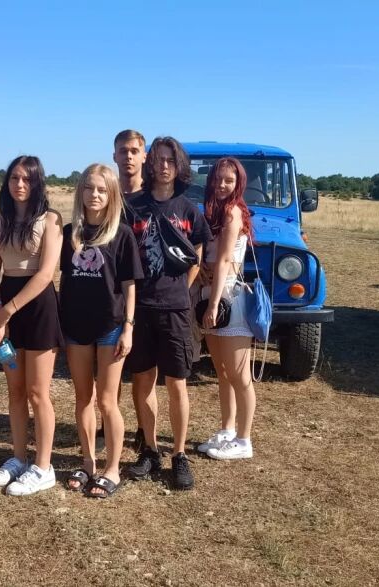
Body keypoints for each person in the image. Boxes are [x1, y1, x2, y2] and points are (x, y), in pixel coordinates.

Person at [123, 136, 210, 490]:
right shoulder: (132, 207)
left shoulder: (188, 210)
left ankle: (179, 454)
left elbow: (197, 254)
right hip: (140, 308)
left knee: (177, 383)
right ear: (149, 163)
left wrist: (181, 289)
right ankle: (150, 449)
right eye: (157, 159)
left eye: (169, 160)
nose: (163, 166)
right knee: (143, 381)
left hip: (175, 309)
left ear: (179, 165)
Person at [60, 163, 142, 498]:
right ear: (80, 191)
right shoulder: (70, 233)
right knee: (83, 398)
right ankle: (88, 462)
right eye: (89, 188)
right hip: (76, 326)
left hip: (110, 326)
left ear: (112, 195)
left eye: (102, 190)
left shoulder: (122, 235)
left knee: (107, 401)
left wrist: (128, 328)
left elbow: (130, 286)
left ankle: (112, 469)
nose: (94, 195)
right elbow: (62, 276)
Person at [0, 155, 63, 497]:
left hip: (38, 308)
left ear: (37, 183)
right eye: (14, 178)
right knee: (15, 390)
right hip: (6, 308)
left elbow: (46, 274)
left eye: (27, 179)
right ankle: (18, 458)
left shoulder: (51, 219)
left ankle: (43, 467)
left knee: (37, 392)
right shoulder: (1, 221)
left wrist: (7, 312)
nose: (20, 184)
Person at [197, 157, 256, 460]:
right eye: (217, 179)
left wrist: (212, 303)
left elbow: (223, 260)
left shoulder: (233, 212)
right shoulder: (213, 212)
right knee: (222, 371)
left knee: (239, 375)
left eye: (228, 181)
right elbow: (208, 257)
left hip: (229, 299)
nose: (221, 185)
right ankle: (227, 429)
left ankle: (244, 440)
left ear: (238, 183)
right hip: (213, 294)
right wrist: (200, 269)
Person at [111, 129, 147, 447]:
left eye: (134, 151)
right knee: (111, 366)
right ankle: (109, 424)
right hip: (112, 293)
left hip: (148, 294)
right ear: (115, 156)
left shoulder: (154, 199)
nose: (129, 157)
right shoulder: (109, 196)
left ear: (144, 156)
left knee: (143, 372)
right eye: (123, 151)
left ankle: (144, 429)